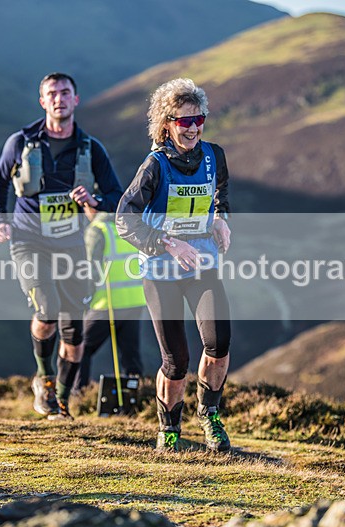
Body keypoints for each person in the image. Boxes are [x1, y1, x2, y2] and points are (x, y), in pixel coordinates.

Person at [0, 72, 123, 420]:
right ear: (43, 101)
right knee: (46, 308)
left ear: (76, 99)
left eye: (65, 92)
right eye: (52, 93)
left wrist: (93, 198)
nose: (59, 98)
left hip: (72, 244)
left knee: (74, 332)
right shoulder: (21, 142)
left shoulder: (91, 149)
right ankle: (44, 378)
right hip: (28, 239)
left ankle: (60, 405)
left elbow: (116, 195)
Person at [116, 78, 232, 452]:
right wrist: (167, 243)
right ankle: (169, 428)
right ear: (167, 124)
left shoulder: (214, 155)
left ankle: (210, 415)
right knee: (176, 360)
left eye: (199, 120)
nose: (194, 128)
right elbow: (124, 220)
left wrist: (220, 219)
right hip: (160, 270)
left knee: (218, 342)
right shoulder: (154, 166)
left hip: (202, 265)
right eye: (184, 122)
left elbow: (219, 194)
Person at [71, 207, 146, 394]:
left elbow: (91, 270)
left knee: (81, 348)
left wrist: (84, 299)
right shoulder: (130, 226)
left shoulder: (98, 230)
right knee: (130, 354)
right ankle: (136, 396)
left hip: (107, 303)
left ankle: (79, 394)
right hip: (135, 300)